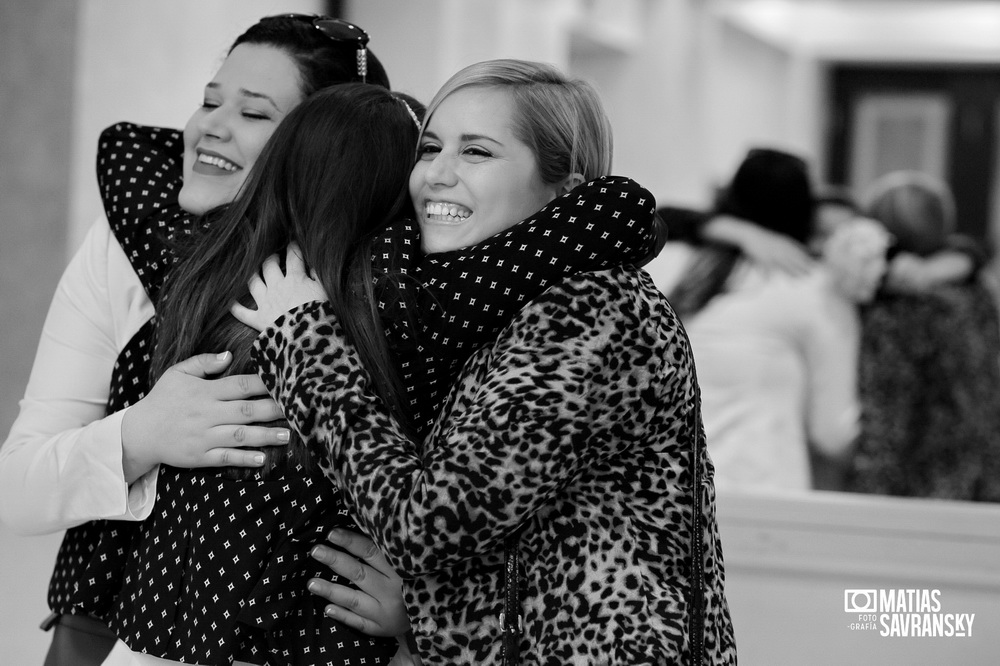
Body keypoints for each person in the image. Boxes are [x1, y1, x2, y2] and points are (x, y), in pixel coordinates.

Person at [234, 59, 736, 665]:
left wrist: (306, 343)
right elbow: (524, 545)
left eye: (477, 152)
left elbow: (429, 524)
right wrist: (424, 611)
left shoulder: (591, 309)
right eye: (430, 148)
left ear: (566, 189)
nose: (436, 176)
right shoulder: (490, 302)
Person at [0, 14, 413, 666]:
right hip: (111, 626)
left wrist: (419, 602)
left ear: (324, 150)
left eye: (253, 113)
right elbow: (16, 488)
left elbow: (452, 496)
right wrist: (142, 436)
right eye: (210, 100)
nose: (209, 126)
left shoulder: (383, 290)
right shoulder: (125, 249)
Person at [653, 148, 865, 492]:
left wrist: (735, 230)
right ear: (803, 211)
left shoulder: (677, 267)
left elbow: (655, 217)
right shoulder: (811, 286)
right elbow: (834, 433)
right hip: (762, 494)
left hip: (663, 498)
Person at [845, 171, 1000, 501]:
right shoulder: (975, 292)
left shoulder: (898, 308)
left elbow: (889, 408)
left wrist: (868, 491)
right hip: (980, 475)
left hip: (919, 485)